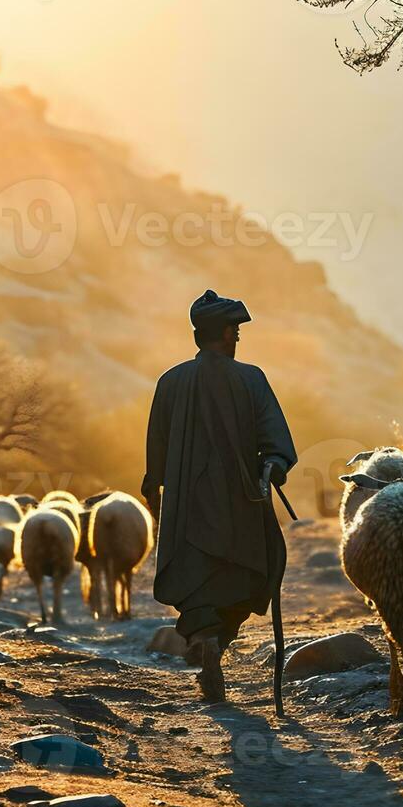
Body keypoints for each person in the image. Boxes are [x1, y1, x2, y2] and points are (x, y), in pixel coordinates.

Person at [141, 290, 297, 702]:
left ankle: (205, 637)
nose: (238, 339)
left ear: (197, 337)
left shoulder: (170, 382)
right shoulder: (251, 378)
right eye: (236, 331)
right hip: (238, 504)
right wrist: (274, 466)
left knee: (194, 580)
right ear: (226, 335)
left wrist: (154, 485)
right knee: (241, 577)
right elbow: (276, 440)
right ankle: (218, 642)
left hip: (186, 508)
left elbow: (155, 449)